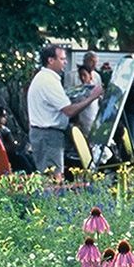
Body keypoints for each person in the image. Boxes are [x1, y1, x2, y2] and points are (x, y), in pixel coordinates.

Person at [27, 45, 91, 176]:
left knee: (51, 176)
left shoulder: (45, 78)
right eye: (62, 59)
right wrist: (92, 97)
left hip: (46, 134)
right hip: (48, 135)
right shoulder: (48, 81)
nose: (65, 62)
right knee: (54, 178)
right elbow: (68, 111)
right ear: (51, 60)